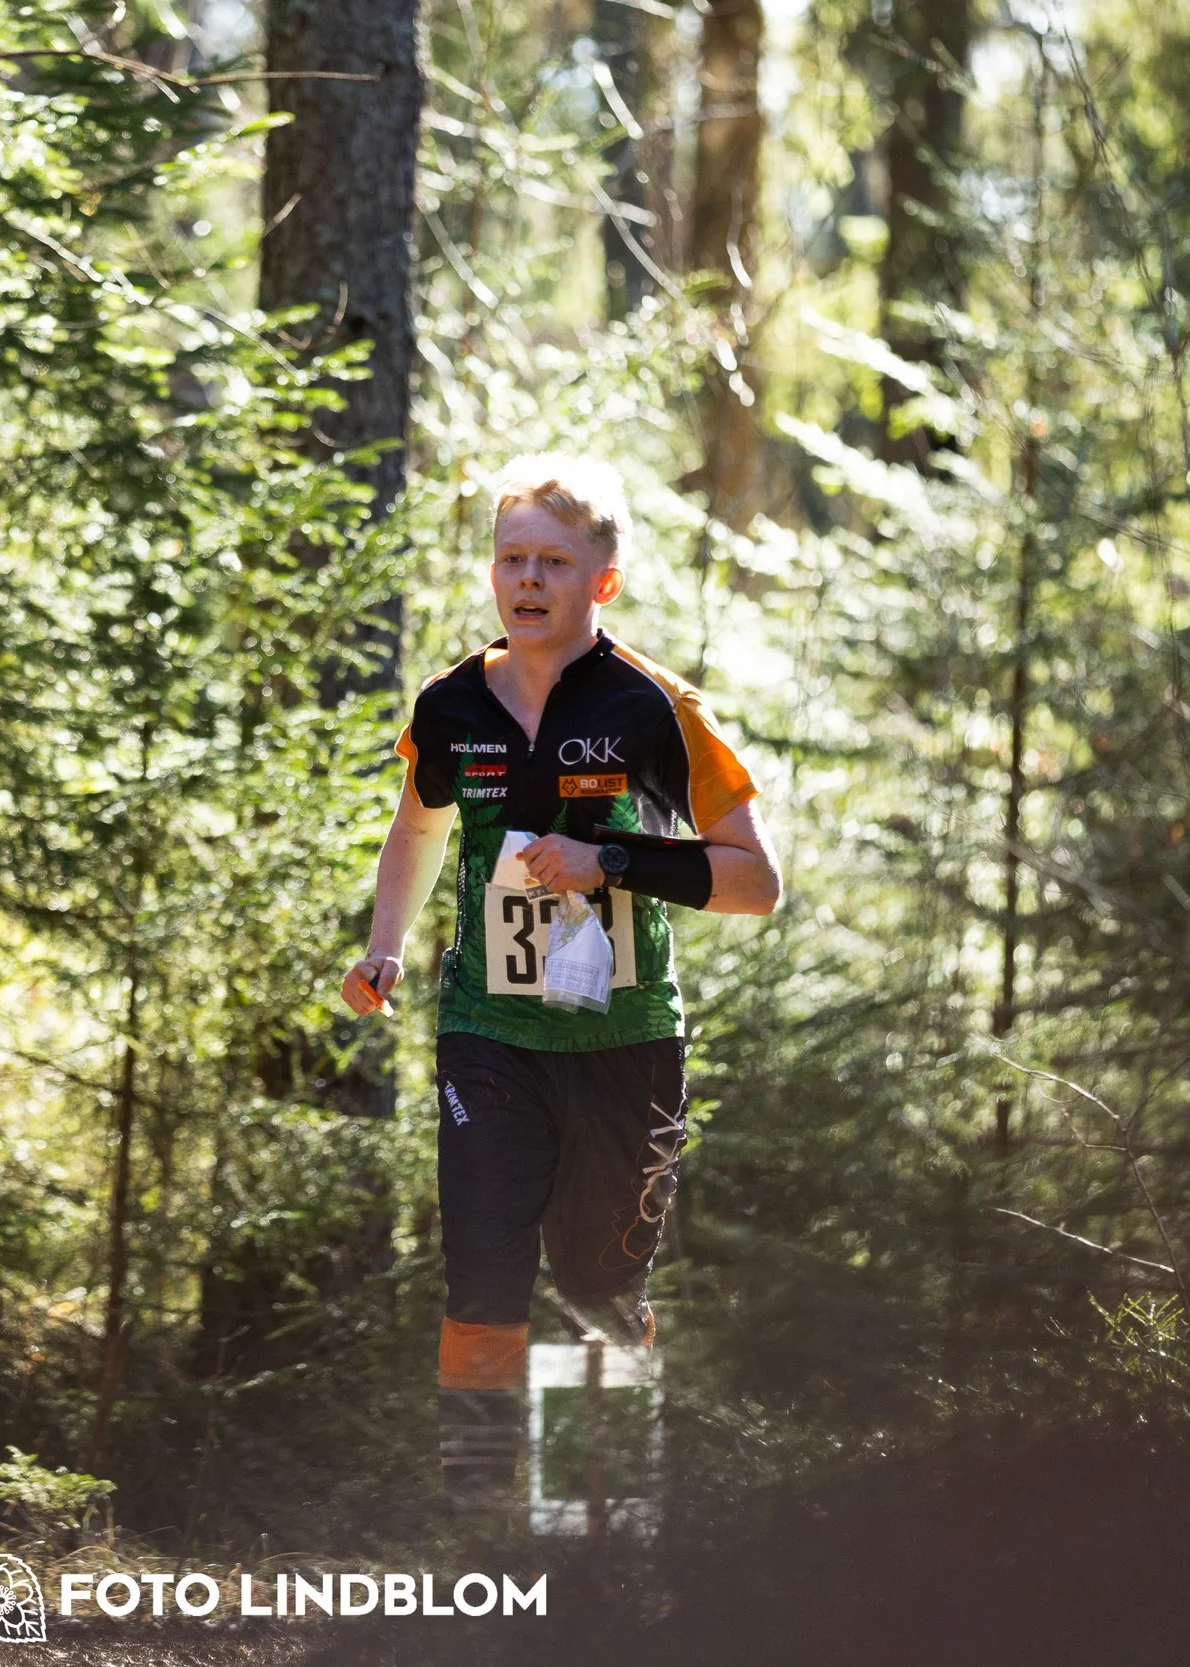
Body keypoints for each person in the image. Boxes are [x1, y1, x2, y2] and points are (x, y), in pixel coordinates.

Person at [339, 453, 782, 1513]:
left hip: (623, 1045)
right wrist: (385, 940)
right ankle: (481, 1515)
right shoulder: (450, 704)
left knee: (596, 1280)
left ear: (602, 580)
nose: (527, 579)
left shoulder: (654, 708)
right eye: (510, 558)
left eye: (552, 560)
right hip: (489, 1033)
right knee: (484, 1269)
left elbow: (755, 882)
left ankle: (601, 1516)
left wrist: (612, 859)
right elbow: (418, 822)